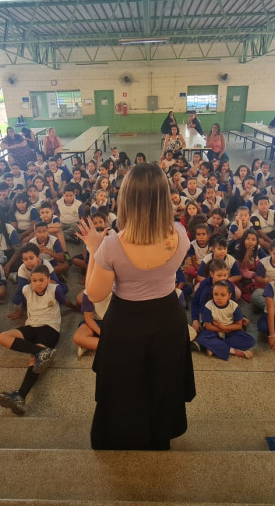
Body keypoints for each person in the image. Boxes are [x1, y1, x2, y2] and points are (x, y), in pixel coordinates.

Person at [76, 162, 195, 450]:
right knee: (162, 383)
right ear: (164, 197)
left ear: (126, 199)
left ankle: (122, 438)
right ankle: (158, 439)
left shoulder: (113, 245)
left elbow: (94, 293)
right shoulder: (180, 233)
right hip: (168, 318)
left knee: (124, 386)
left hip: (127, 324)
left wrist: (94, 249)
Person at [0, 264, 68, 414]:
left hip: (49, 328)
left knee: (34, 361)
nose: (37, 283)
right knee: (2, 337)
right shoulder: (26, 289)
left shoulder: (55, 289)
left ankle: (20, 395)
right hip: (31, 326)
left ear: (48, 279)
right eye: (34, 280)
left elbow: (63, 300)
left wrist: (74, 307)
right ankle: (42, 351)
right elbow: (18, 300)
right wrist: (18, 311)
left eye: (41, 280)